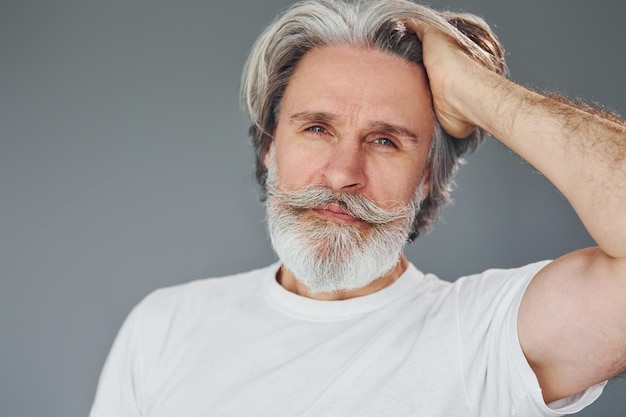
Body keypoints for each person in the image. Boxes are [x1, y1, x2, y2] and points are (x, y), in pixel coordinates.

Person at [90, 0, 626, 415]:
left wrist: (476, 90)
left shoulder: (486, 340)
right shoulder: (164, 328)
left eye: (387, 141)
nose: (344, 173)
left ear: (427, 180)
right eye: (317, 128)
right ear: (270, 147)